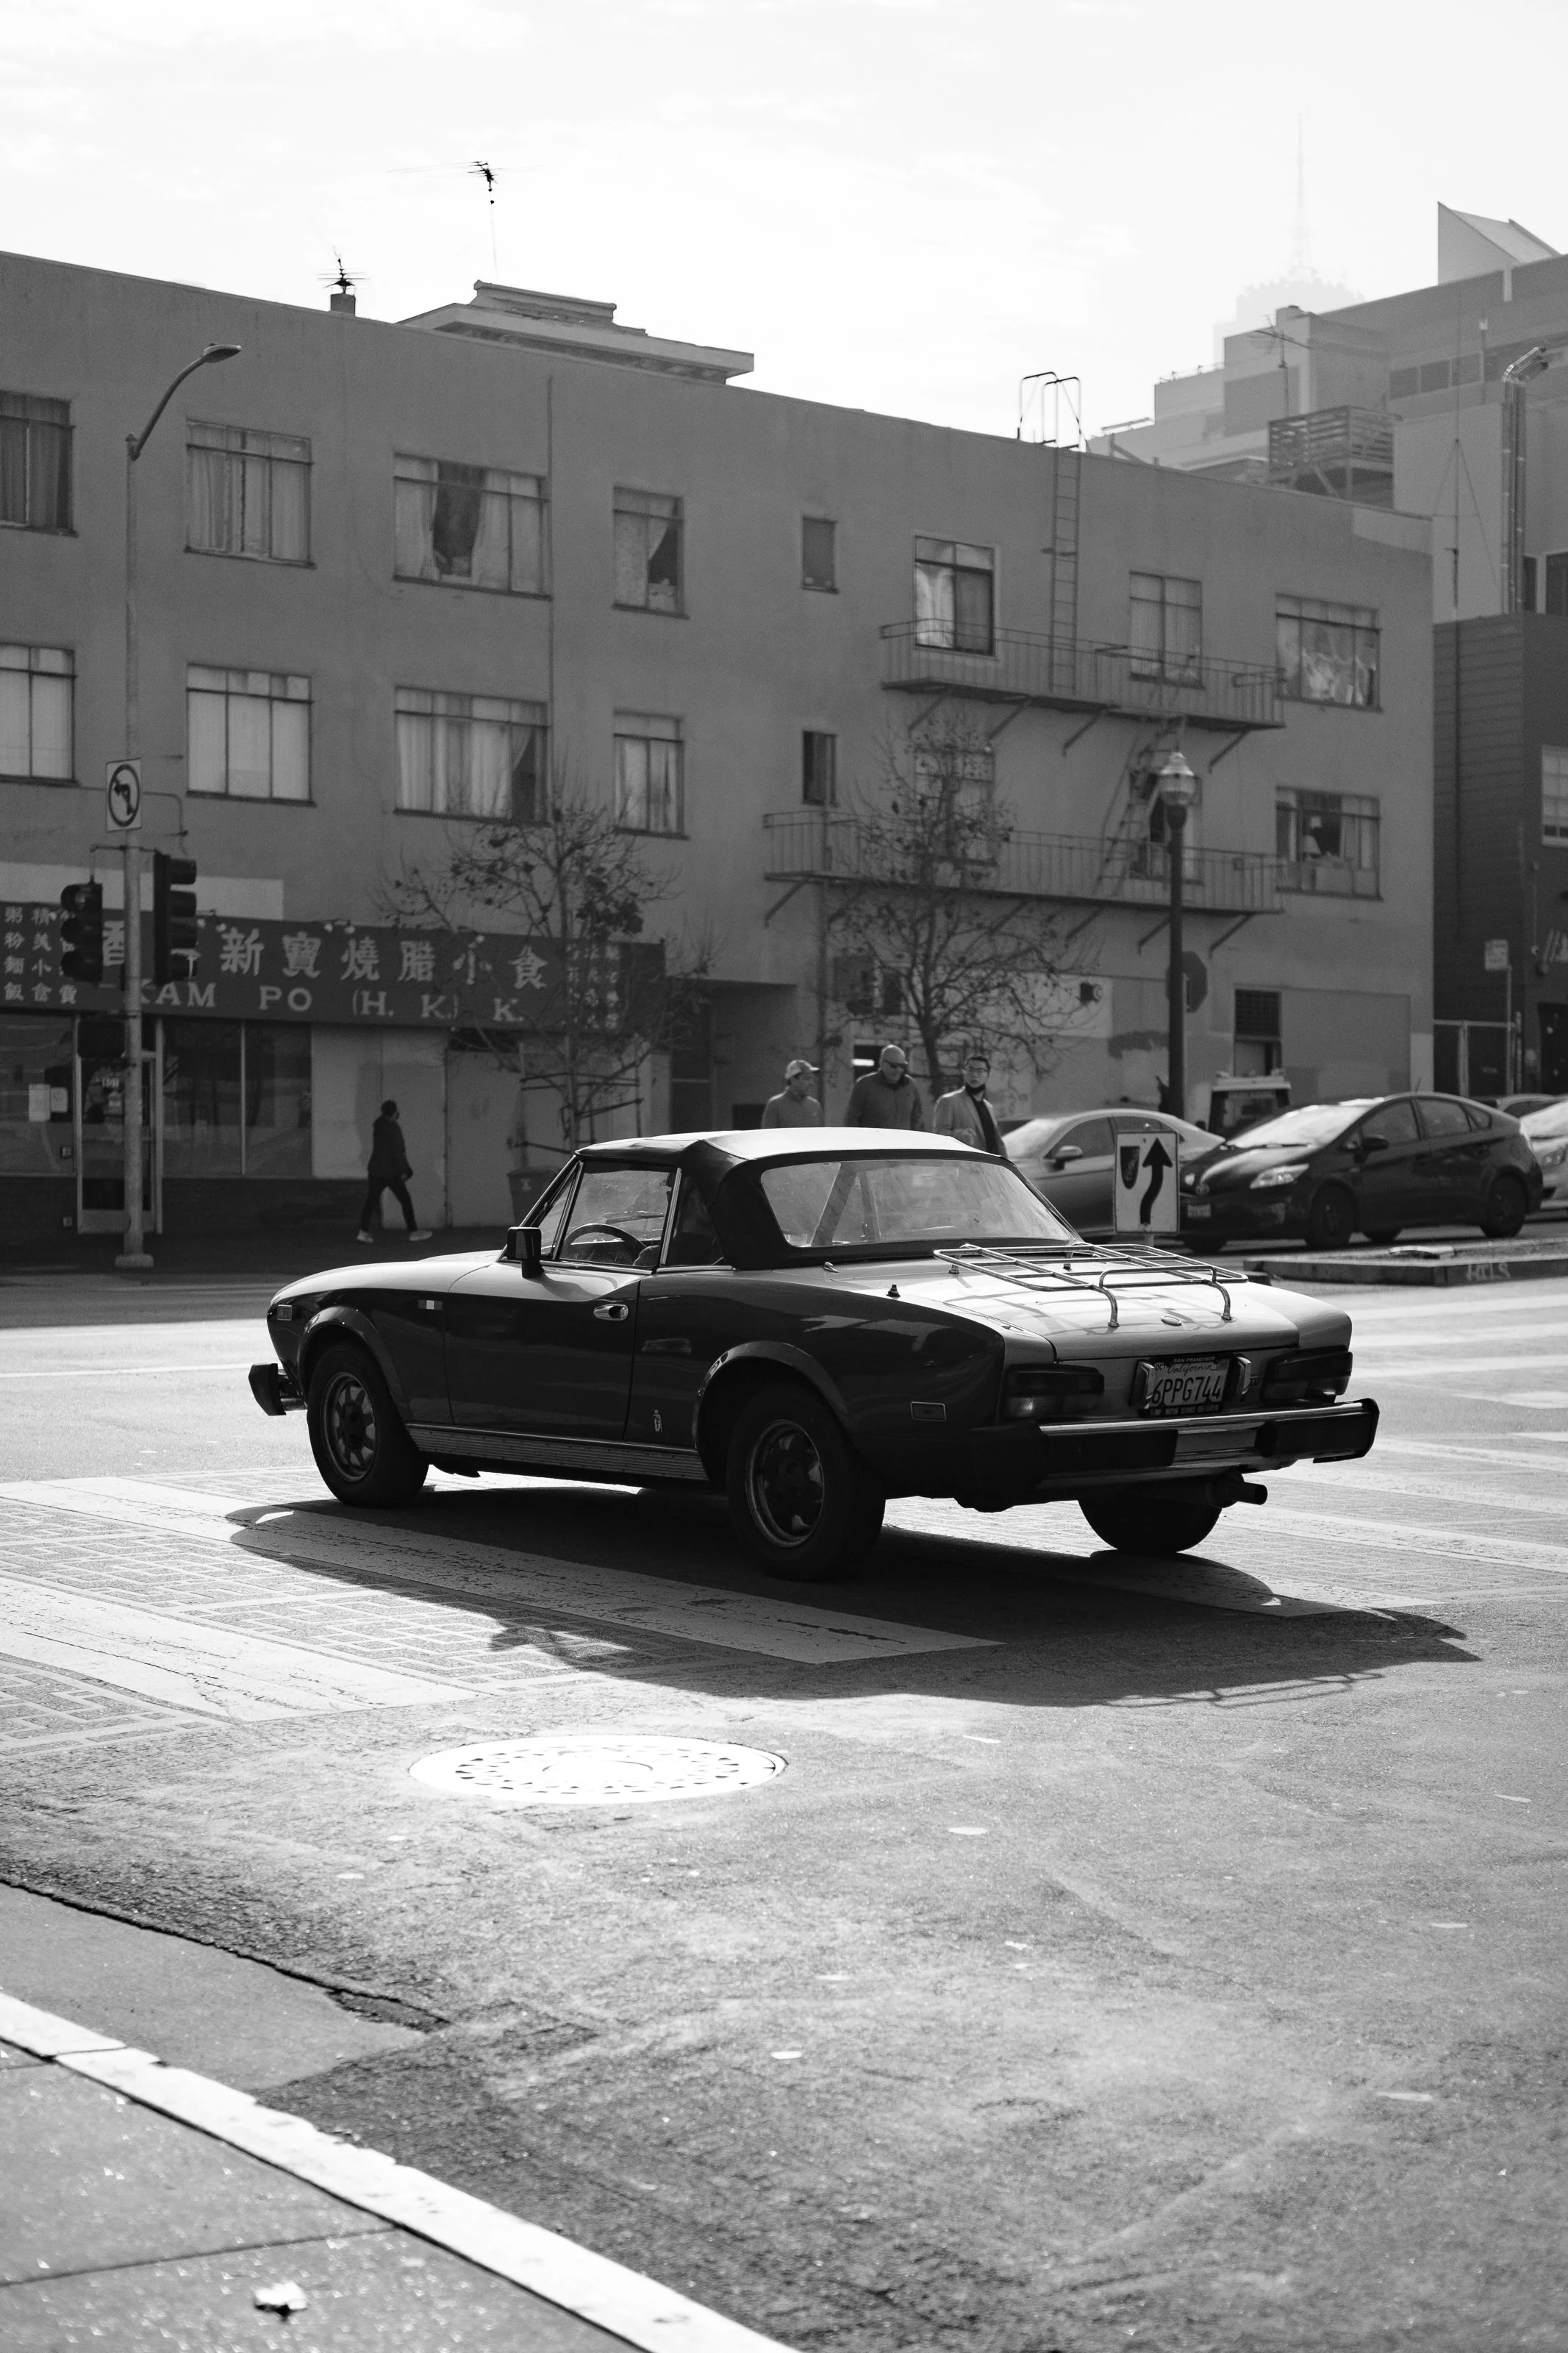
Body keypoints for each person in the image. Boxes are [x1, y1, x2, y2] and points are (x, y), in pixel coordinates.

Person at [357, 1099, 432, 1243]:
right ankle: (413, 1232)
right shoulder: (392, 1128)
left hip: (376, 1171)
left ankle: (363, 1232)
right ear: (394, 1112)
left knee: (371, 1201)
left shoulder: (379, 1126)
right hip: (390, 1172)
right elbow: (397, 1152)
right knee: (405, 1200)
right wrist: (405, 1170)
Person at [934, 1051, 1003, 1153]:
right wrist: (959, 1136)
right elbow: (939, 1135)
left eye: (980, 1071)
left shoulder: (988, 1107)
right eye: (970, 1070)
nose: (974, 1075)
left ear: (988, 1074)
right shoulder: (949, 1101)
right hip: (963, 1161)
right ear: (964, 1072)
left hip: (987, 1161)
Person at [845, 1043, 924, 1130]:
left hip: (904, 1139)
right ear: (882, 1063)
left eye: (902, 1066)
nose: (898, 1070)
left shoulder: (910, 1085)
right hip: (874, 1138)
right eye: (893, 1066)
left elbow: (917, 1119)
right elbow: (852, 1119)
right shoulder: (865, 1085)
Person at [761, 1057, 824, 1128]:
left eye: (812, 1079)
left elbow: (821, 1133)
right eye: (807, 1078)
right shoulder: (775, 1105)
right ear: (793, 1080)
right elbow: (768, 1134)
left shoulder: (815, 1106)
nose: (812, 1083)